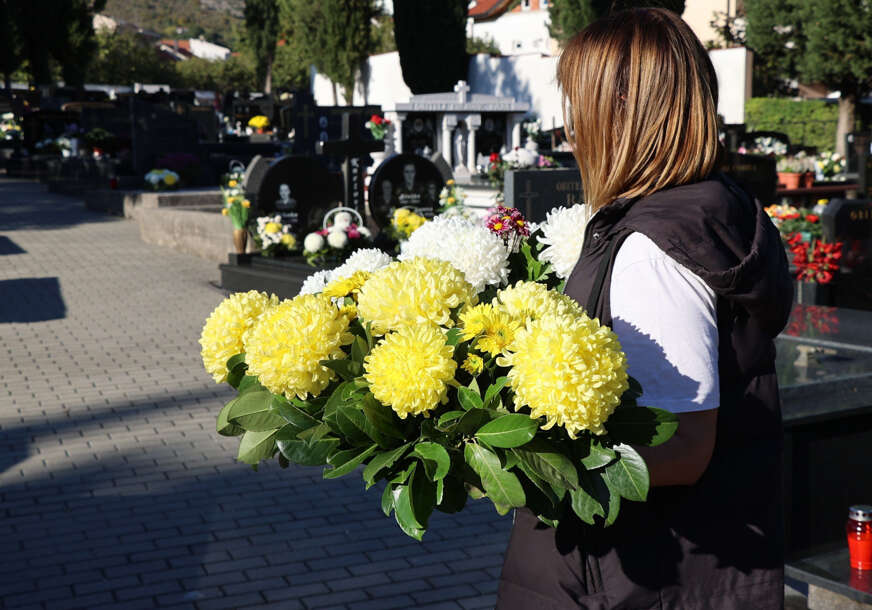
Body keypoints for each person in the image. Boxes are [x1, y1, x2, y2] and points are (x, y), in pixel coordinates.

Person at [496, 8, 792, 609]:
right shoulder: (710, 207)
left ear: (622, 113)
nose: (570, 127)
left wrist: (513, 452)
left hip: (628, 578)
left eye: (579, 103)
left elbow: (682, 446)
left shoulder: (654, 250)